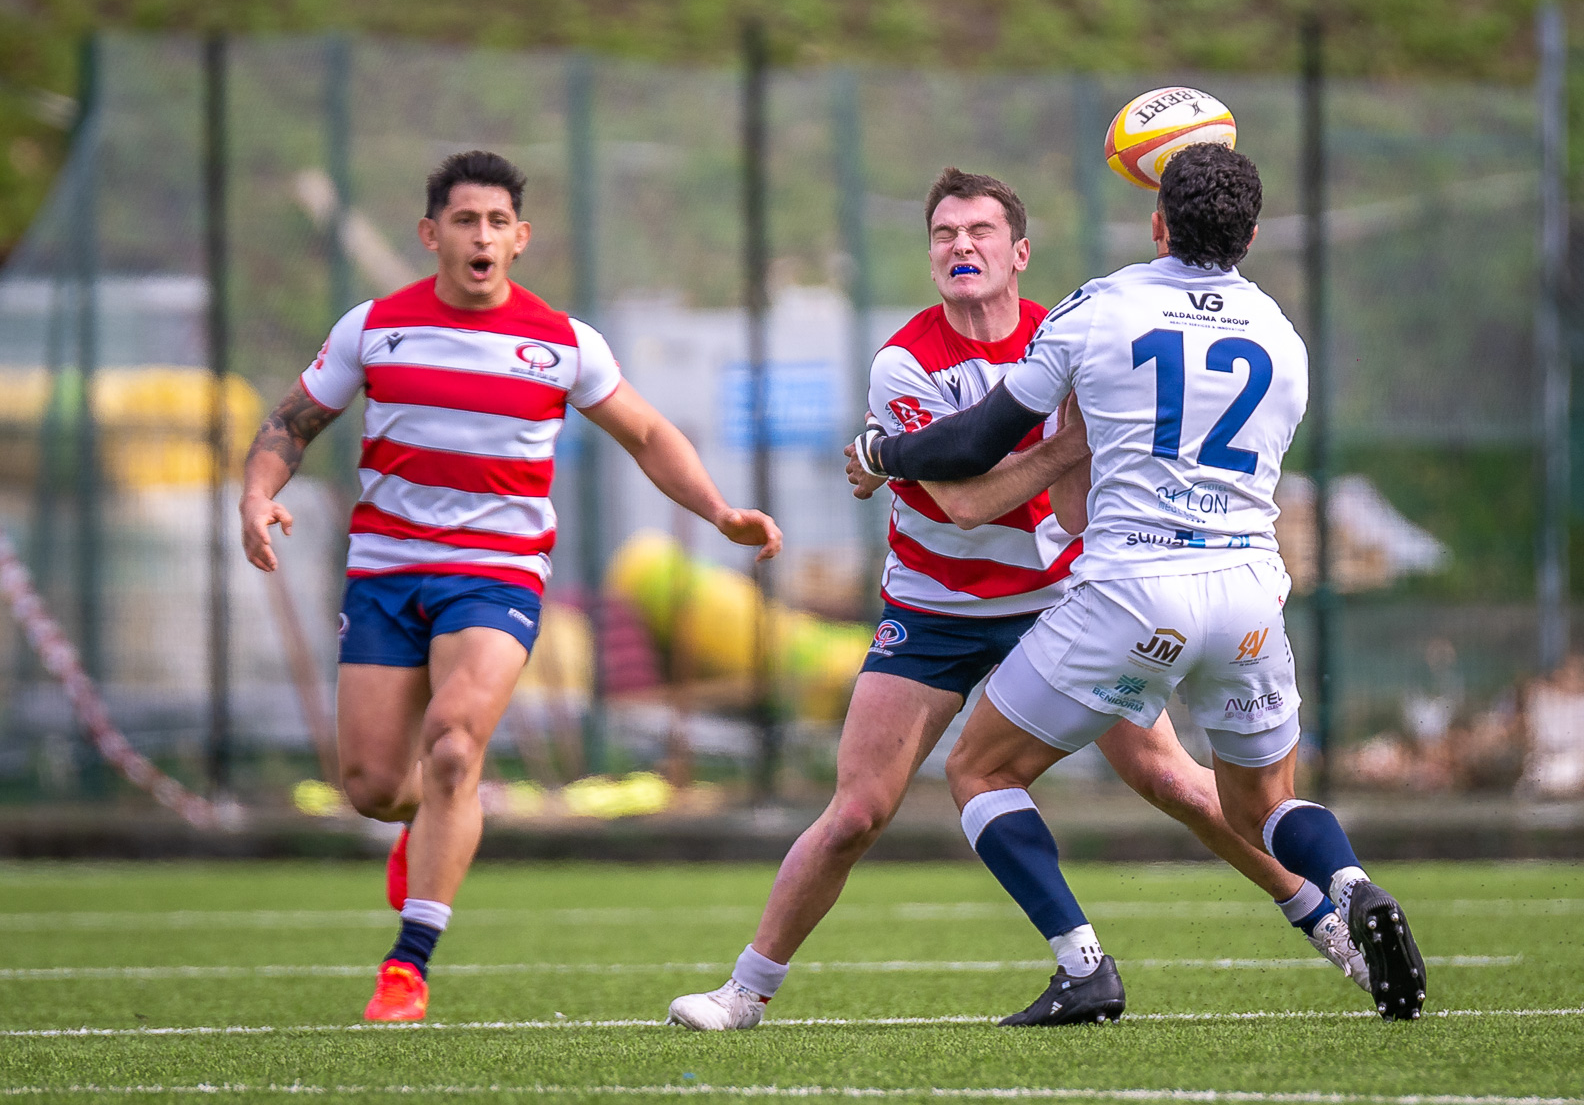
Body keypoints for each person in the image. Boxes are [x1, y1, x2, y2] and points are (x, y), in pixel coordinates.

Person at [667, 167, 1366, 1032]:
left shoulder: (1069, 335)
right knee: (856, 812)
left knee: (1175, 782)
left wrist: (1057, 451)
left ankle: (1333, 928)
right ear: (931, 258)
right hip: (935, 606)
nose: (962, 246)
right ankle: (745, 993)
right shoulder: (906, 363)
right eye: (944, 235)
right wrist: (1074, 440)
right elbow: (966, 501)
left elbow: (1072, 506)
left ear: (1019, 252)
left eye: (981, 232)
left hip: (1064, 599)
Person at [849, 144, 1428, 1025]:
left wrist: (878, 452)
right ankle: (1348, 886)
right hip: (1246, 594)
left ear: (1157, 224)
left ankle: (1081, 962)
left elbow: (969, 450)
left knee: (979, 767)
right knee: (1262, 802)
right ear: (1253, 235)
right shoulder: (1282, 334)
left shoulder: (1097, 310)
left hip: (1134, 591)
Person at [239, 150, 780, 1023]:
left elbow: (646, 433)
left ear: (520, 238)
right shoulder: (373, 328)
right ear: (432, 234)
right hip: (384, 572)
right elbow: (294, 420)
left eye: (496, 222)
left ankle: (407, 966)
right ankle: (422, 826)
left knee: (455, 747)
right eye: (463, 220)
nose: (480, 236)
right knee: (376, 786)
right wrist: (258, 494)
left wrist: (720, 511)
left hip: (496, 576)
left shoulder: (562, 344)